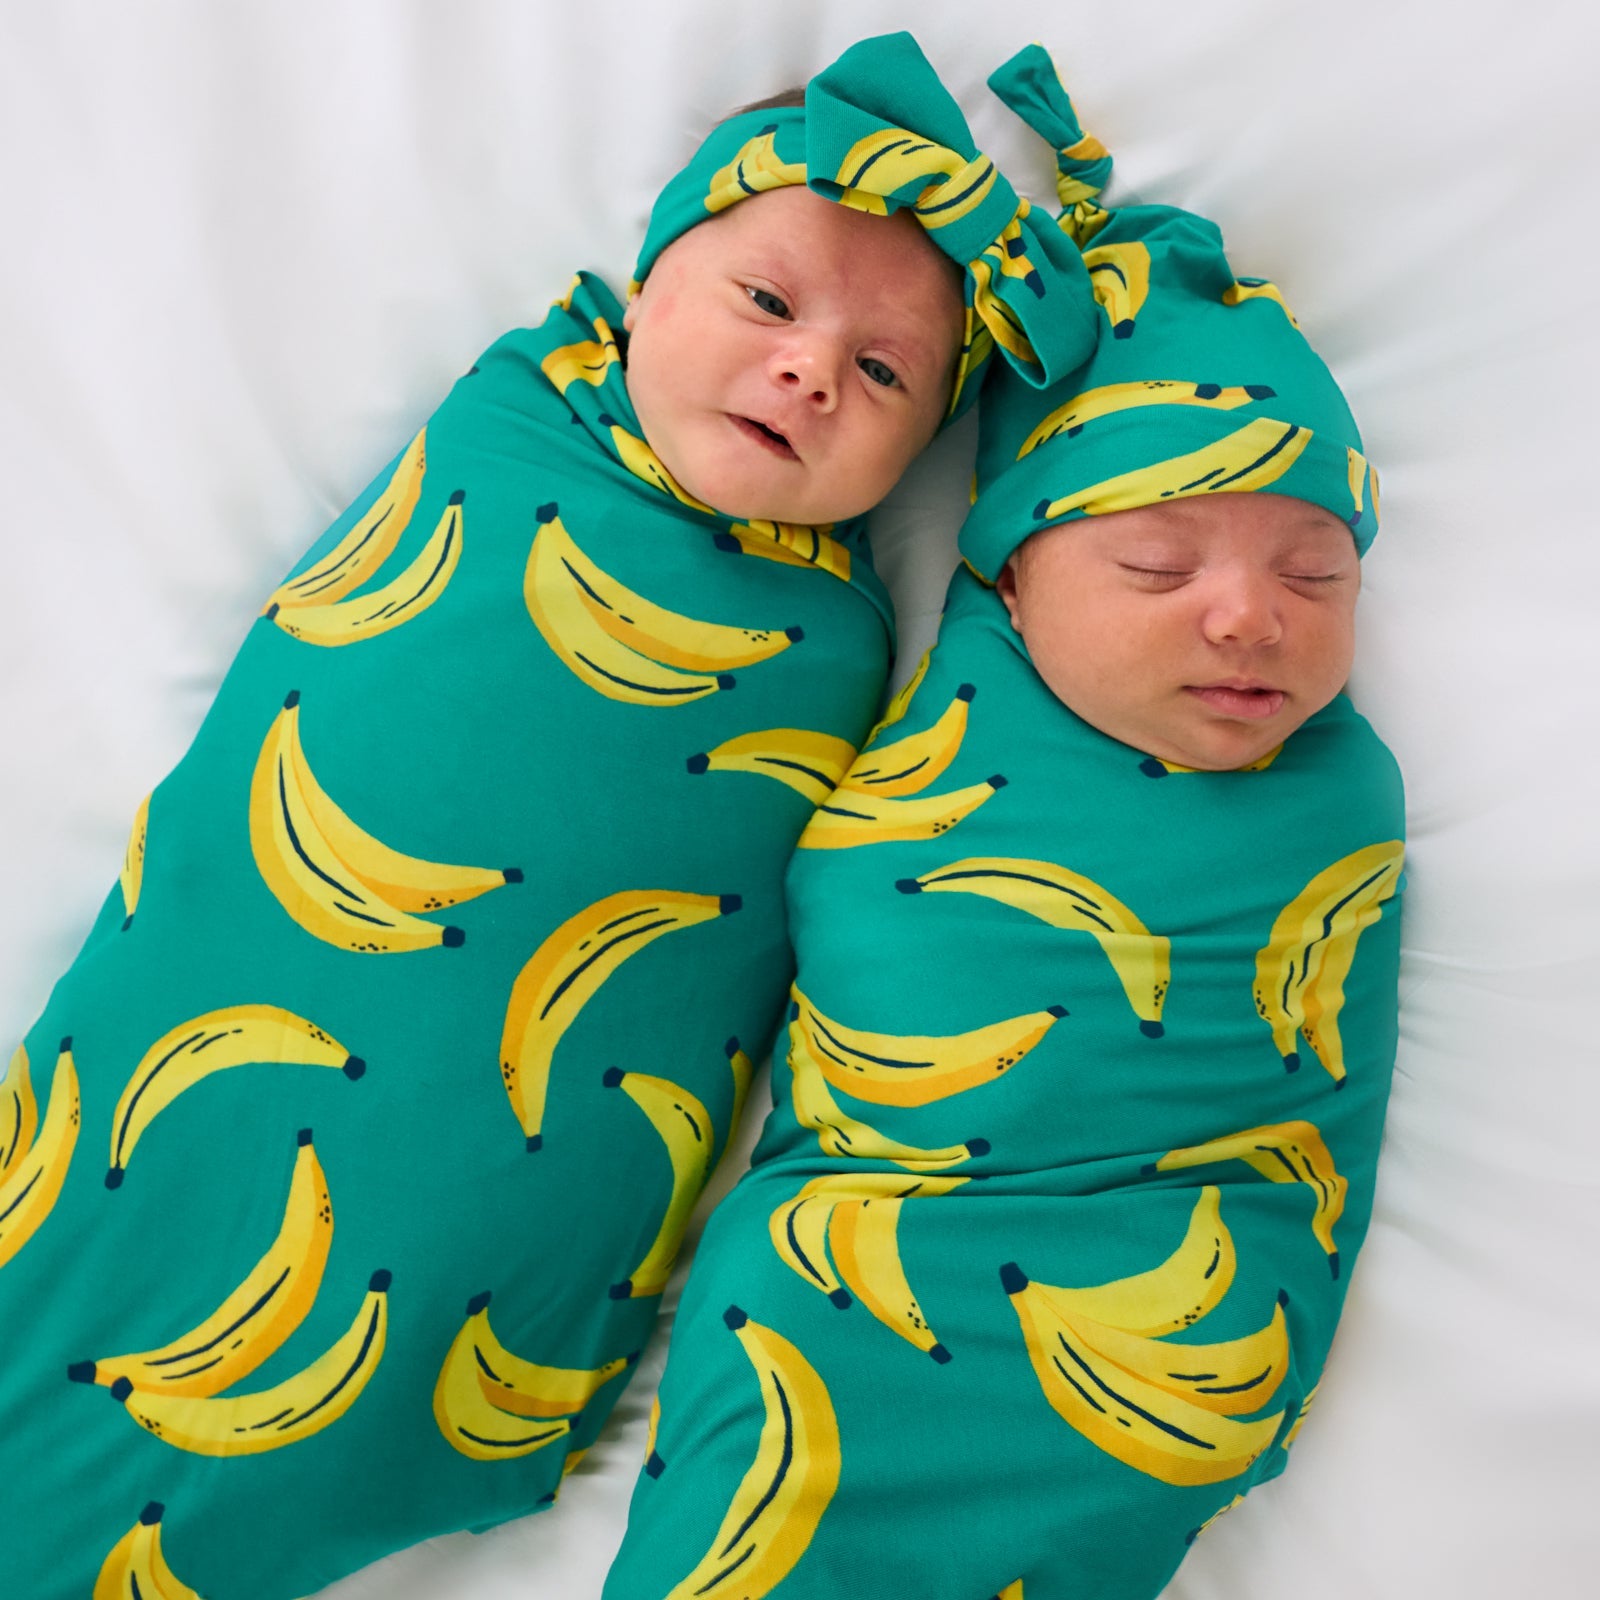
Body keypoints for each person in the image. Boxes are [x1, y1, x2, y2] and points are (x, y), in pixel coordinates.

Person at [0, 34, 1098, 1600]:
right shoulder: (519, 421)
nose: (809, 371)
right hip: (246, 984)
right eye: (772, 305)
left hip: (500, 1131)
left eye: (884, 376)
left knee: (392, 1296)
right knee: (106, 1237)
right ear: (649, 283)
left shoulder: (839, 649)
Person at [600, 46, 1403, 1600]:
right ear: (1009, 582)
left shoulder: (1338, 794)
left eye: (1319, 574)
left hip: (1163, 1319)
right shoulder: (906, 726)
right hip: (851, 1299)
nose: (1253, 620)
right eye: (1161, 569)